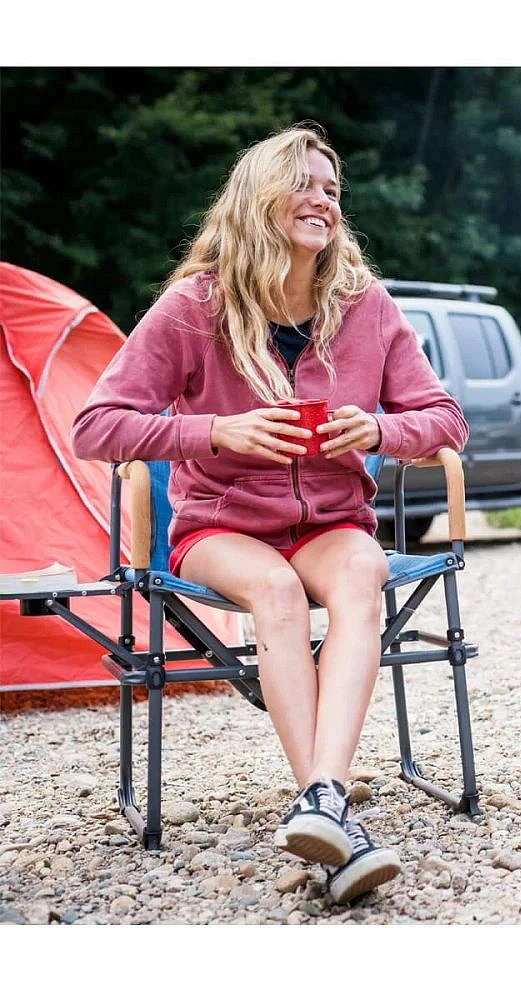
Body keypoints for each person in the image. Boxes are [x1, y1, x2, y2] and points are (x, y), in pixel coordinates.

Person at [71, 124, 470, 899]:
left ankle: (322, 798)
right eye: (305, 184)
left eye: (332, 190)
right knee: (279, 596)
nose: (322, 199)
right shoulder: (197, 305)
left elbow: (446, 419)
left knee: (364, 574)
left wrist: (381, 429)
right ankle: (330, 807)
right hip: (220, 523)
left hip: (328, 520)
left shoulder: (364, 304)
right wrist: (213, 431)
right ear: (261, 198)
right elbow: (97, 424)